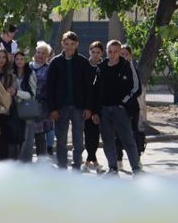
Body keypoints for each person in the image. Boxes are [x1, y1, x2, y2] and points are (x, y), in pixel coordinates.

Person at [88, 39, 142, 175]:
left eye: (115, 52)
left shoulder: (127, 66)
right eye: (110, 51)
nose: (112, 54)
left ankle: (136, 168)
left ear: (120, 52)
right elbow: (95, 91)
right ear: (106, 52)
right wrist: (95, 111)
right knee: (107, 141)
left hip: (121, 110)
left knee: (128, 140)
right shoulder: (101, 67)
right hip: (104, 111)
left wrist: (123, 103)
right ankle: (113, 168)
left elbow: (136, 88)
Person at [47, 31, 92, 171]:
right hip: (60, 108)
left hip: (79, 107)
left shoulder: (83, 62)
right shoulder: (55, 62)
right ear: (62, 44)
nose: (69, 47)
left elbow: (89, 87)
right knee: (61, 139)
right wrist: (52, 108)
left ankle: (77, 165)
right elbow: (50, 87)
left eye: (72, 44)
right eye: (66, 44)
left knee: (78, 140)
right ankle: (62, 166)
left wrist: (88, 107)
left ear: (77, 44)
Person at [0, 47, 19, 161]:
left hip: (6, 113)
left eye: (3, 57)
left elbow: (14, 92)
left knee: (4, 144)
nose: (1, 60)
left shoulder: (11, 75)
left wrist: (12, 91)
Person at [13, 50, 40, 162]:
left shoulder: (31, 74)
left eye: (22, 59)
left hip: (27, 110)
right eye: (17, 59)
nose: (19, 61)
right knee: (15, 139)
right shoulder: (11, 73)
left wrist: (16, 92)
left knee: (27, 139)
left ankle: (26, 164)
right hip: (14, 110)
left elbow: (31, 95)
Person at [84, 41, 105, 171]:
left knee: (96, 136)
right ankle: (94, 163)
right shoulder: (85, 66)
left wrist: (97, 111)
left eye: (98, 52)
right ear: (89, 52)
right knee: (88, 135)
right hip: (86, 107)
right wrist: (87, 108)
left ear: (102, 53)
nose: (95, 54)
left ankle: (88, 163)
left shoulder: (104, 67)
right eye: (93, 52)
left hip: (99, 107)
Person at [30, 42, 54, 156]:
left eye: (43, 53)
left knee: (40, 137)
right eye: (38, 52)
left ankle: (42, 162)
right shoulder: (27, 66)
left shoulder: (49, 69)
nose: (40, 55)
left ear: (47, 56)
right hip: (26, 105)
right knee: (26, 136)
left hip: (42, 108)